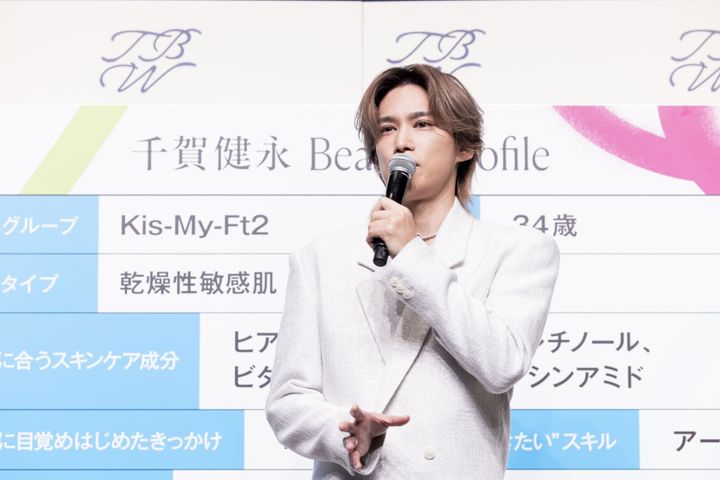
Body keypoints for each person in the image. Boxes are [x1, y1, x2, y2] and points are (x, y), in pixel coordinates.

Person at [265, 64, 560, 479]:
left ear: (464, 146)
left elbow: (503, 364)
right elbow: (287, 401)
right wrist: (345, 432)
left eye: (422, 124)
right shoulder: (319, 258)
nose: (401, 142)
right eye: (387, 129)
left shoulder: (517, 251)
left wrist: (411, 256)